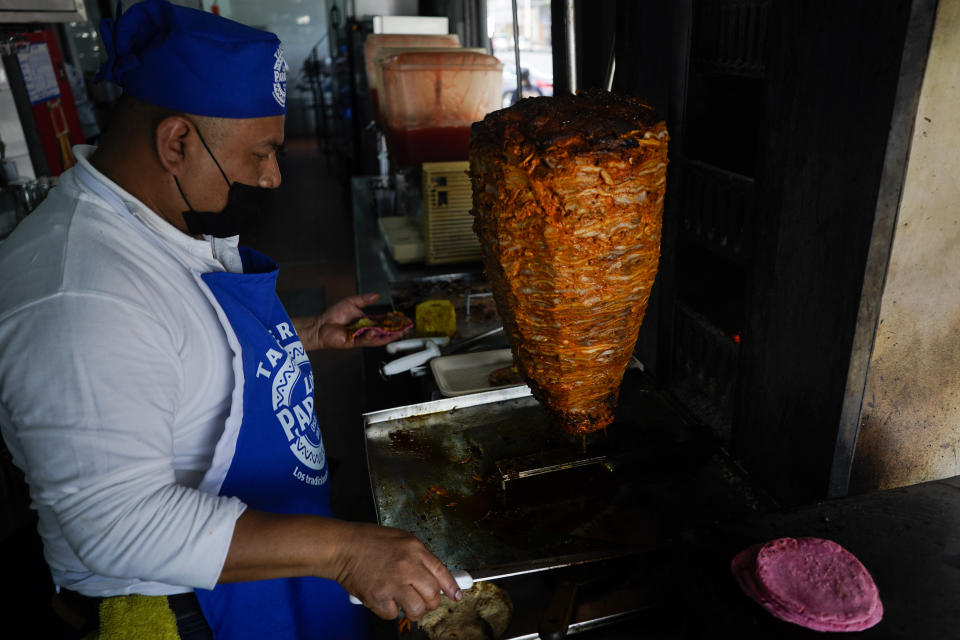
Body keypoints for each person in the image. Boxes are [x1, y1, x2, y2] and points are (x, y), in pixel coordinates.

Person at [0, 1, 460, 638]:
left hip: (254, 573)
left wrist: (303, 335)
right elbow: (117, 526)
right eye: (261, 154)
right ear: (177, 142)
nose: (272, 179)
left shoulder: (144, 229)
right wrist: (348, 552)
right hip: (182, 610)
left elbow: (169, 362)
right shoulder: (77, 295)